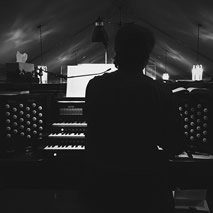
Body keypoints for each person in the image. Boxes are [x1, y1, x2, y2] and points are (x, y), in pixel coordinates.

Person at [82, 23, 185, 213]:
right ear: (146, 55)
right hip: (145, 186)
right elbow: (175, 145)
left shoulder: (95, 86)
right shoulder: (160, 91)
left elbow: (91, 126)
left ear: (117, 51)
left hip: (102, 184)